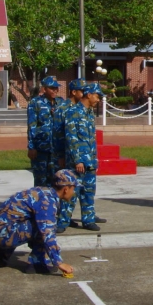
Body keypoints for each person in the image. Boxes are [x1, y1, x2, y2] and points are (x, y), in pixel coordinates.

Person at [0, 170, 77, 276]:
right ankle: (37, 263)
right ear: (66, 189)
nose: (74, 192)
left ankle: (0, 255)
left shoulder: (43, 192)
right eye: (74, 188)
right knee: (44, 226)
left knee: (30, 221)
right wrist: (59, 263)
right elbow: (47, 234)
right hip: (2, 234)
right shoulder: (48, 202)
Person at [58, 81, 103, 231]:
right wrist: (78, 159)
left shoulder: (89, 112)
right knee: (71, 193)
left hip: (90, 161)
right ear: (88, 95)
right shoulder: (73, 112)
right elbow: (71, 137)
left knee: (89, 192)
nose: (98, 99)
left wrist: (94, 160)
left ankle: (88, 220)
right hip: (77, 162)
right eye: (97, 96)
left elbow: (91, 139)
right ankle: (63, 222)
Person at [26, 75, 66, 187]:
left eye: (56, 88)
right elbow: (32, 125)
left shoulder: (61, 102)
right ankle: (40, 203)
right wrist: (31, 147)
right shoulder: (36, 103)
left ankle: (53, 204)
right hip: (41, 148)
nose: (55, 90)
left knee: (56, 180)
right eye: (52, 88)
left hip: (56, 150)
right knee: (41, 181)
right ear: (44, 89)